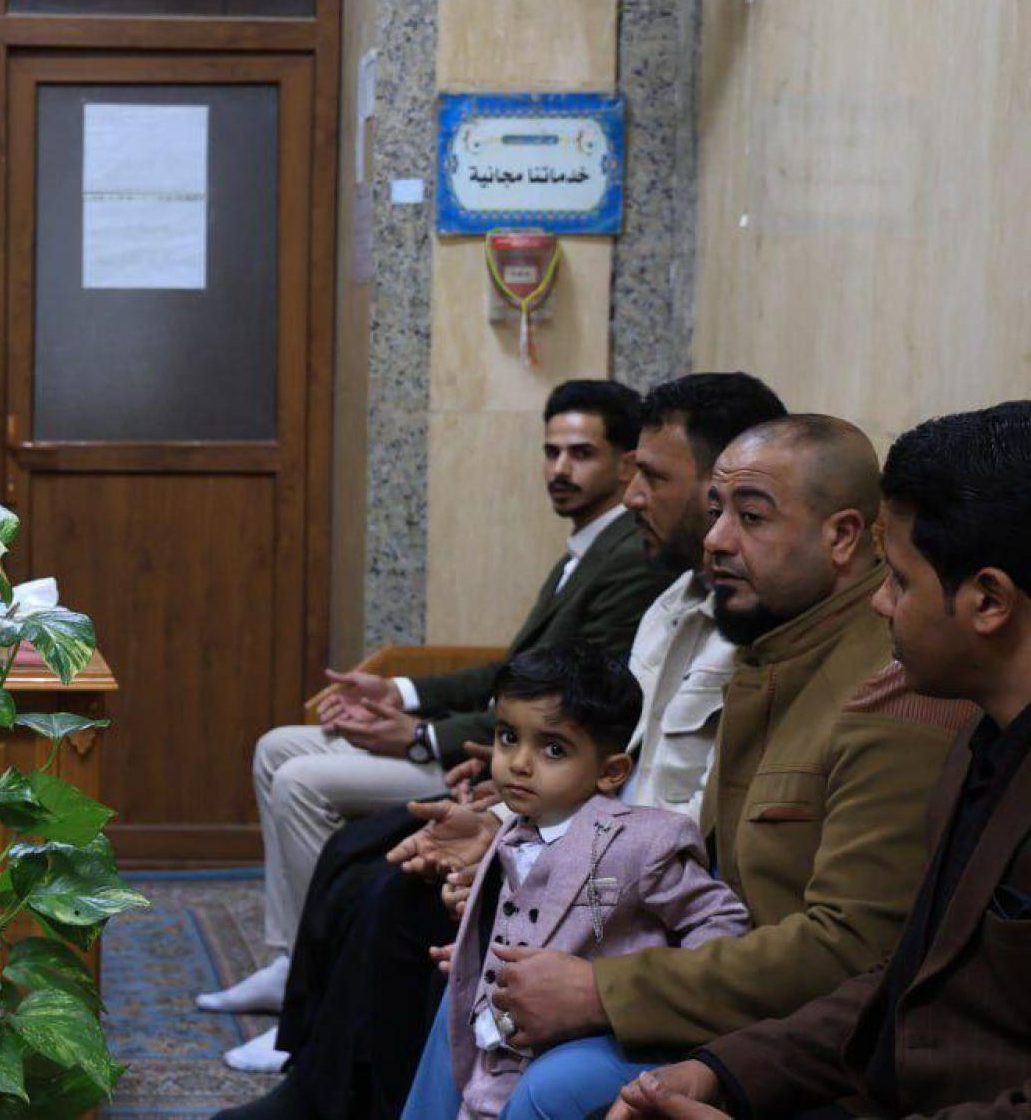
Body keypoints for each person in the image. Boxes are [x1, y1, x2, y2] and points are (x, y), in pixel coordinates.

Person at [216, 373, 784, 1115]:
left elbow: (651, 808)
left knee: (399, 897)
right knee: (388, 868)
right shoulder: (674, 600)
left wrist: (510, 820)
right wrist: (503, 816)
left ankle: (329, 1094)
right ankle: (314, 1062)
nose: (632, 496)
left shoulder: (722, 614)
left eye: (647, 475)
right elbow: (560, 709)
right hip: (575, 821)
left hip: (620, 883)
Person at [409, 415, 968, 1120]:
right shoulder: (773, 646)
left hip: (794, 1030)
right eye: (714, 511)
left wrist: (603, 989)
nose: (715, 541)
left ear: (843, 536)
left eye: (750, 517)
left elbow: (852, 949)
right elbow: (687, 857)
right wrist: (541, 869)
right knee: (475, 992)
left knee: (552, 1085)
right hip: (704, 970)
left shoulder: (893, 688)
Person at [609, 403, 1031, 1120]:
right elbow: (901, 980)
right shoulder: (981, 742)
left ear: (987, 600)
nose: (881, 604)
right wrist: (722, 1071)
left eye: (900, 581)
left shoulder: (908, 708)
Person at [410, 643, 750, 1120]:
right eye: (508, 737)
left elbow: (721, 921)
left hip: (593, 1034)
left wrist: (651, 1002)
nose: (520, 762)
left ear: (611, 772)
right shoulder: (515, 826)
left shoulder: (645, 840)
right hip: (502, 1041)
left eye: (553, 749)